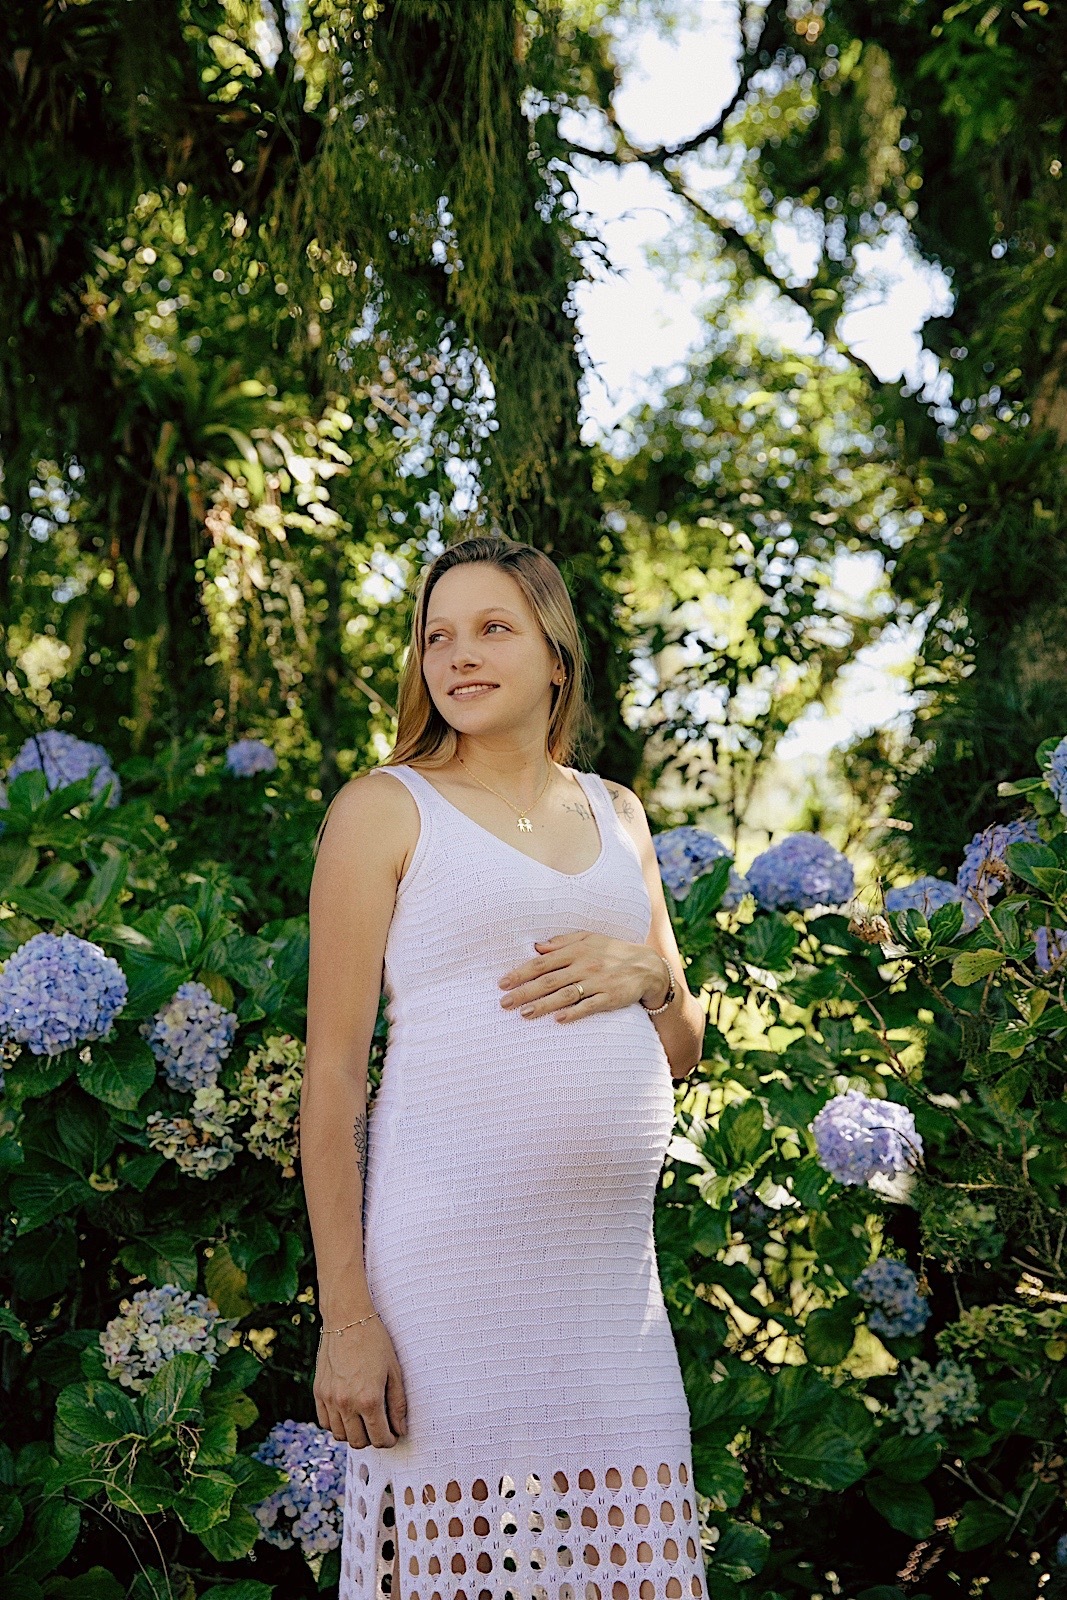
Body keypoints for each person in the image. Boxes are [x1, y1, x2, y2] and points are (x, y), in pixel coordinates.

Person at [302, 535, 709, 1600]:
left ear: (555, 656)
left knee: (642, 1574)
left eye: (491, 627)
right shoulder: (384, 808)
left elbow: (683, 1047)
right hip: (444, 1282)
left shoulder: (618, 814)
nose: (457, 655)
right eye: (437, 636)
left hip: (609, 1287)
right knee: (451, 1577)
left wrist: (648, 976)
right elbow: (335, 1076)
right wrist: (347, 1318)